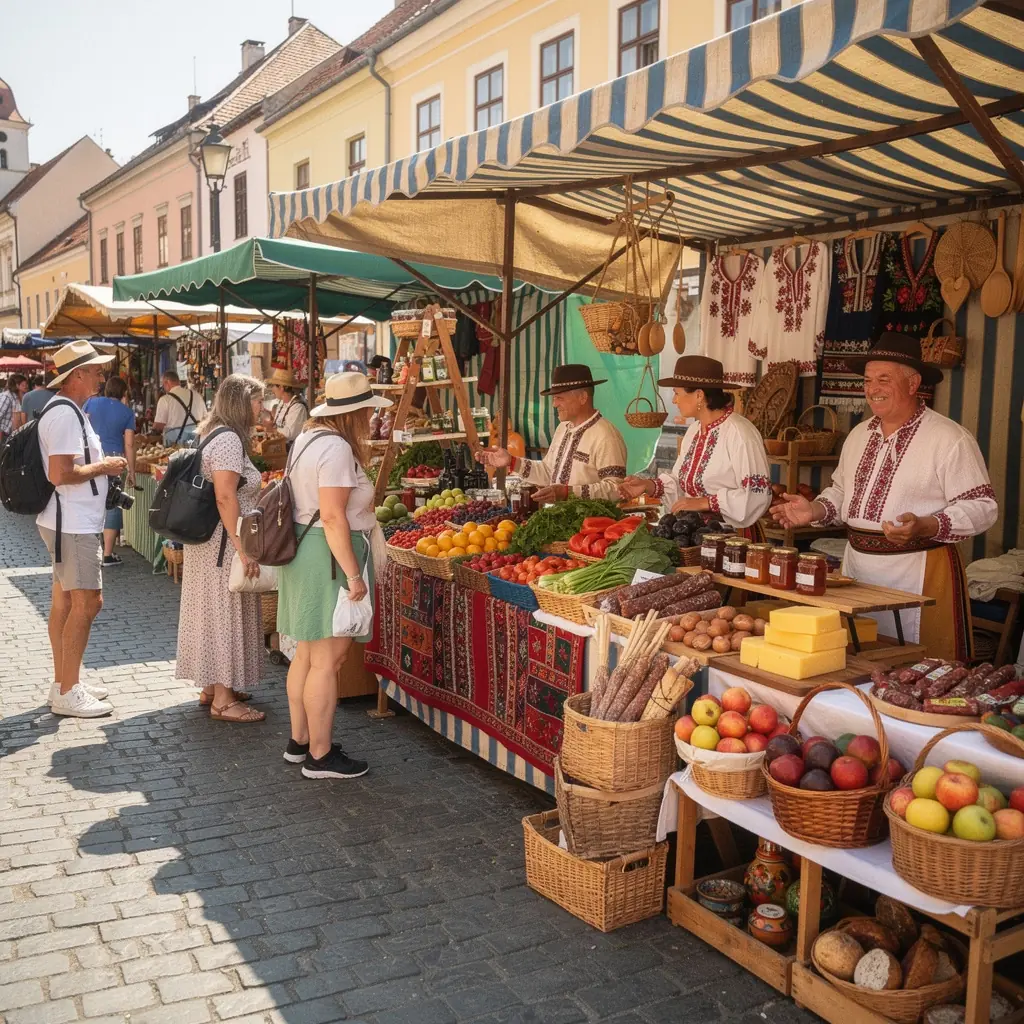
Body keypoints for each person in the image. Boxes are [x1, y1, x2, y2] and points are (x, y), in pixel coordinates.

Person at [771, 334, 998, 660]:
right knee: (856, 659)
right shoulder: (860, 435)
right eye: (867, 380)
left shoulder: (948, 438)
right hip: (858, 571)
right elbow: (840, 492)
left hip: (917, 571)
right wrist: (815, 510)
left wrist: (927, 524)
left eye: (883, 379)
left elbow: (983, 507)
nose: (872, 388)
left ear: (913, 383)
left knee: (917, 668)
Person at [277, 372, 386, 780]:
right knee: (328, 659)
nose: (370, 420)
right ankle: (320, 756)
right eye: (367, 412)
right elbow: (334, 516)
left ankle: (300, 741)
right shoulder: (337, 448)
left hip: (306, 551)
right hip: (328, 556)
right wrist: (354, 575)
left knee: (307, 652)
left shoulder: (306, 439)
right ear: (354, 414)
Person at [36, 341, 127, 718]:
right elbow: (61, 474)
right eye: (95, 371)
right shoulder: (65, 415)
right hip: (71, 522)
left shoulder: (70, 411)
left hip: (68, 520)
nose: (101, 377)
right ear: (77, 375)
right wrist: (105, 467)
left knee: (66, 603)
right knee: (88, 603)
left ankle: (64, 682)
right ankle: (68, 690)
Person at [174, 374, 267, 722]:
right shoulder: (229, 440)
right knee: (225, 613)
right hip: (224, 542)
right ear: (241, 403)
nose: (262, 407)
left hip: (210, 540)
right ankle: (224, 701)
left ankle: (213, 687)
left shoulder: (212, 433)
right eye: (258, 400)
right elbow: (225, 495)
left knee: (212, 612)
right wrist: (243, 547)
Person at [619, 356, 772, 533]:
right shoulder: (694, 431)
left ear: (699, 395)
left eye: (677, 393)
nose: (674, 400)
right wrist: (648, 485)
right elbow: (680, 484)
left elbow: (757, 494)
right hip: (695, 533)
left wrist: (705, 502)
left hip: (732, 538)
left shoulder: (740, 433)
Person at [474, 364, 627, 502]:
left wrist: (568, 492)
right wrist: (512, 462)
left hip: (593, 528)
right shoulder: (563, 428)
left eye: (559, 398)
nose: (554, 404)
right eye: (554, 399)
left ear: (583, 398)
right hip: (561, 522)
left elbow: (616, 489)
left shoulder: (606, 436)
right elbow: (548, 472)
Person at [84, 376, 136, 567]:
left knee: (91, 499)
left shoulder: (90, 402)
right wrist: (132, 470)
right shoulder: (127, 412)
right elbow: (129, 444)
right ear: (124, 393)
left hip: (92, 457)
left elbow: (82, 425)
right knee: (112, 501)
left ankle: (90, 550)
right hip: (115, 459)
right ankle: (107, 554)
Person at [152, 370, 207, 447]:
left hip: (174, 447)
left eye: (163, 385)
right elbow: (206, 419)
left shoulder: (165, 399)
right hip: (196, 443)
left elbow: (159, 425)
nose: (163, 388)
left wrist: (153, 428)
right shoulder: (196, 395)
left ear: (167, 383)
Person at [262, 368, 308, 444]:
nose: (272, 389)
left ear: (281, 388)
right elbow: (280, 425)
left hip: (292, 450)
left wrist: (272, 429)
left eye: (274, 386)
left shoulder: (298, 407)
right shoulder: (281, 403)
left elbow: (290, 434)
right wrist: (272, 423)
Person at [0, 373, 23, 443]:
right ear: (17, 385)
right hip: (4, 436)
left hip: (13, 435)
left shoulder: (17, 397)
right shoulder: (7, 396)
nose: (26, 386)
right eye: (24, 384)